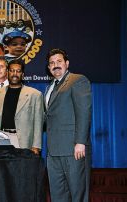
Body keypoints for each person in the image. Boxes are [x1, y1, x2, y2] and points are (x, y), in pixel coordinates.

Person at [44, 48, 92, 202]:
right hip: (53, 151)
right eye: (52, 63)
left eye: (59, 61)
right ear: (48, 67)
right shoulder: (49, 87)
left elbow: (84, 112)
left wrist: (80, 142)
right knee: (58, 196)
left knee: (78, 195)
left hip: (73, 149)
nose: (55, 65)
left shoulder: (78, 80)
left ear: (67, 63)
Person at [0, 59, 43, 155]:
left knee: (21, 170)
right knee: (3, 169)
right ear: (7, 73)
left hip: (22, 141)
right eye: (12, 70)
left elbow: (38, 122)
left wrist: (36, 146)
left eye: (18, 71)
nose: (14, 74)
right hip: (2, 139)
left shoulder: (35, 94)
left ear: (23, 74)